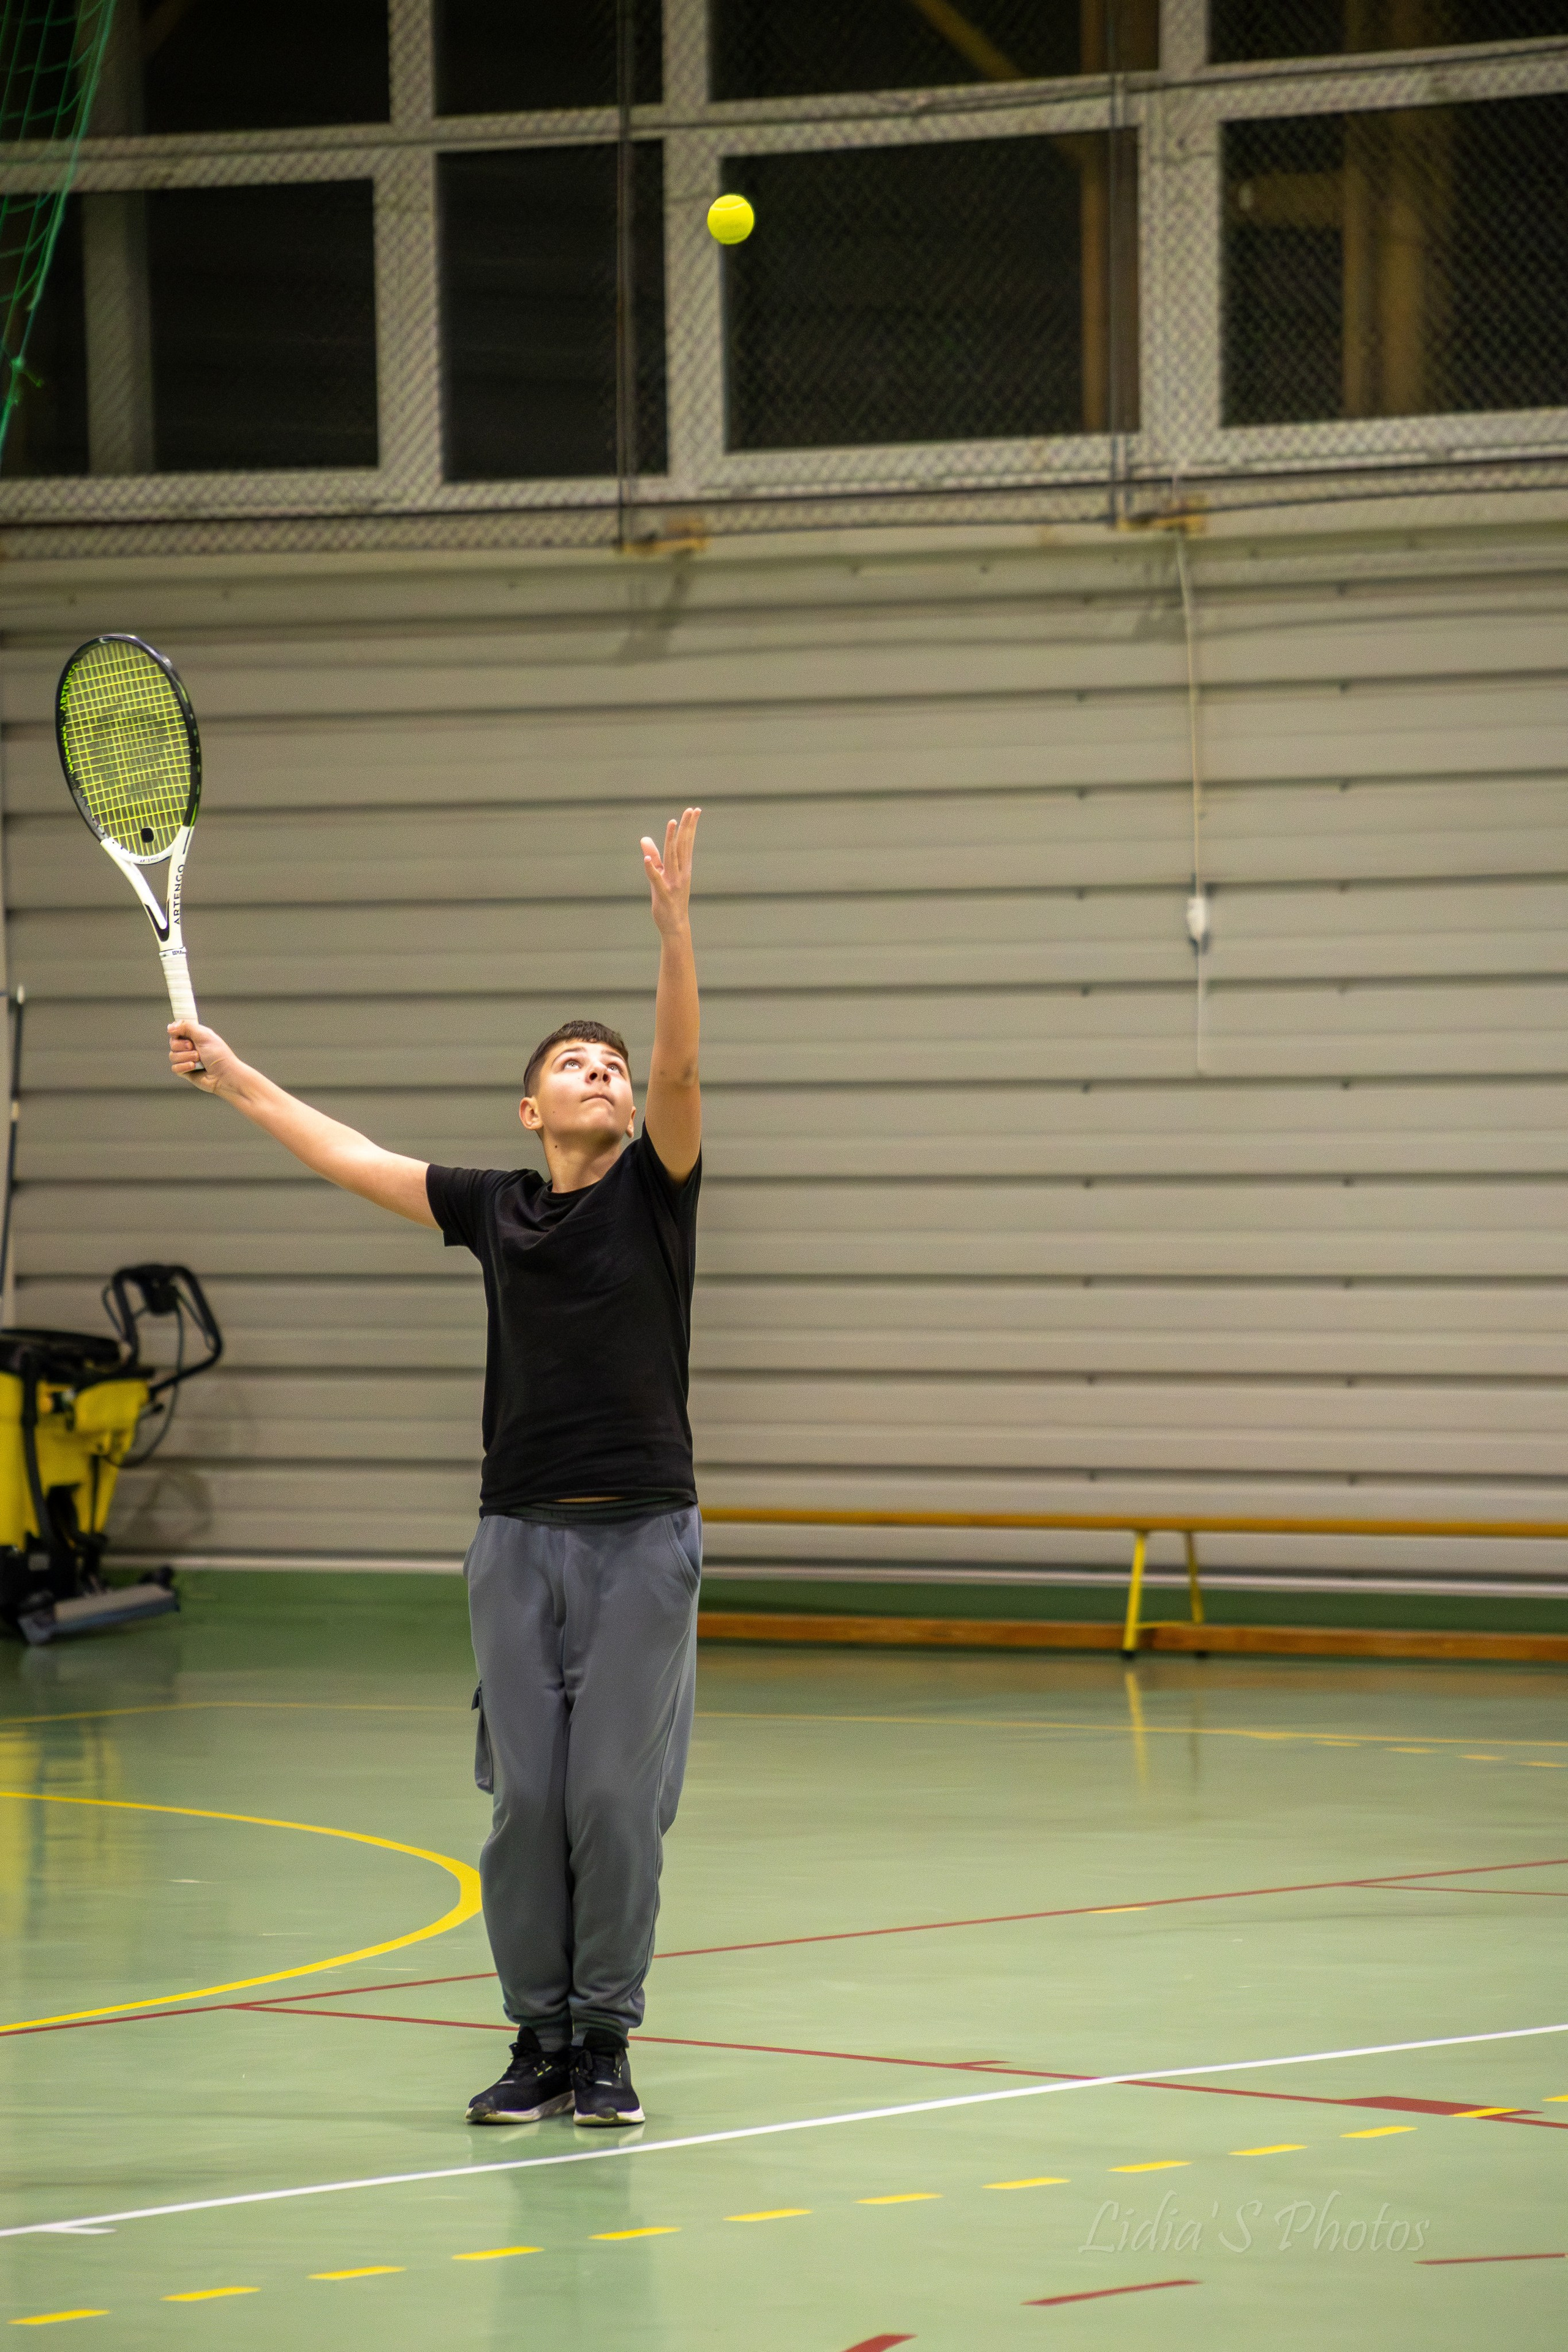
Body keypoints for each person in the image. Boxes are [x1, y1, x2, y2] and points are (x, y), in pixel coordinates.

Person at [168, 809, 705, 2130]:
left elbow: (687, 1071)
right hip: (513, 1539)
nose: (603, 1075)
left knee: (609, 1802)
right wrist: (235, 1077)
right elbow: (352, 1157)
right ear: (531, 1108)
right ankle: (537, 2041)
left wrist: (672, 927)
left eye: (614, 1067)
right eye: (574, 1065)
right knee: (525, 1799)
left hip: (642, 1539)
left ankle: (606, 2041)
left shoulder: (655, 1190)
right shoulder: (494, 1206)